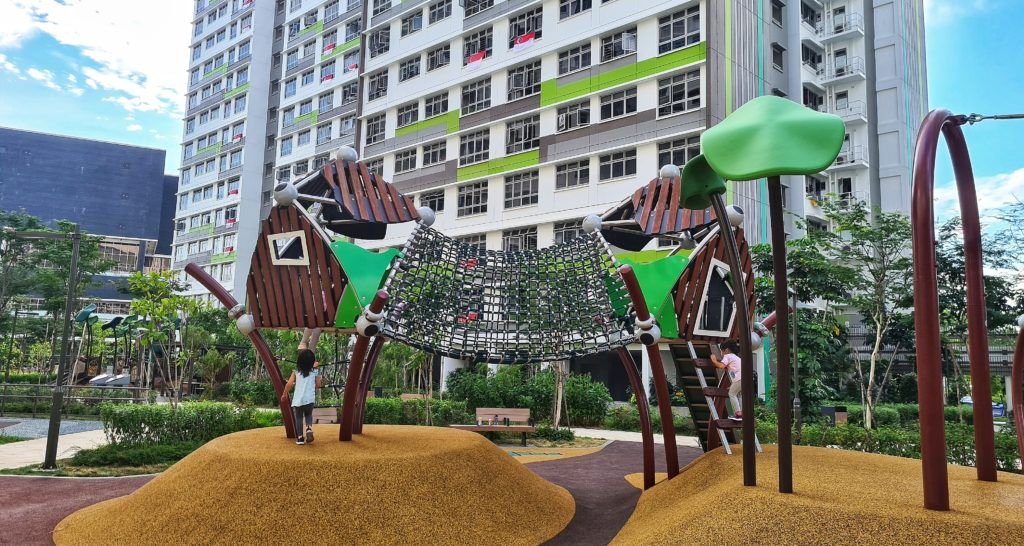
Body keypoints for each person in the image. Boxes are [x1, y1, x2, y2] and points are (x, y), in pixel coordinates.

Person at [282, 349, 322, 445]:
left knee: (299, 417)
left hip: (298, 400)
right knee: (308, 415)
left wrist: (284, 394)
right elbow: (318, 385)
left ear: (299, 361)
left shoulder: (295, 372)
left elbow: (289, 384)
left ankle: (300, 438)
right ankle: (309, 428)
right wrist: (316, 369)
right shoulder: (314, 372)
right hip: (310, 399)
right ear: (312, 362)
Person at [712, 341, 743, 420]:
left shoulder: (728, 356)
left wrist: (714, 361)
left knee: (732, 394)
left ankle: (738, 413)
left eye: (721, 350)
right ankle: (742, 412)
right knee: (738, 395)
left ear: (726, 350)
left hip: (739, 379)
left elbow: (721, 366)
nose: (721, 353)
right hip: (744, 379)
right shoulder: (736, 357)